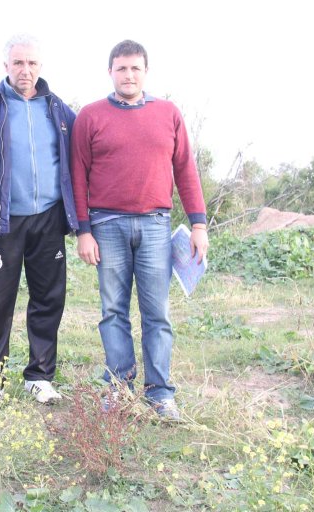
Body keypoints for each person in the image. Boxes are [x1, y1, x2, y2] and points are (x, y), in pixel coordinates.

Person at [70, 39, 209, 420]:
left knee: (156, 313)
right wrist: (83, 230)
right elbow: (77, 176)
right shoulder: (91, 117)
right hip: (106, 225)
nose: (128, 75)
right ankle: (118, 389)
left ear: (145, 72)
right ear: (110, 72)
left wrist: (198, 223)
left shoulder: (168, 113)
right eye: (121, 68)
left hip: (154, 226)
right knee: (113, 310)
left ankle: (160, 394)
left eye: (135, 68)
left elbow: (185, 170)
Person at [0, 34, 79, 414]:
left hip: (48, 220)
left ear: (41, 67)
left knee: (48, 299)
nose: (26, 70)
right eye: (18, 63)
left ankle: (40, 377)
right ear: (5, 66)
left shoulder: (59, 111)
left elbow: (81, 163)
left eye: (32, 64)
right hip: (4, 223)